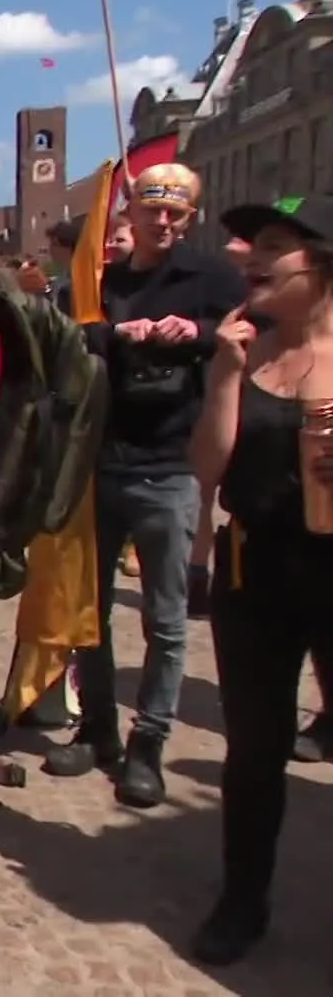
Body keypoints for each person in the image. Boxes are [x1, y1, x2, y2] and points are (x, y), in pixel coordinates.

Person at [42, 164, 245, 809]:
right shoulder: (105, 277)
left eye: (175, 214)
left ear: (190, 218)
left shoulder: (211, 277)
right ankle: (98, 728)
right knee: (89, 612)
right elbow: (68, 335)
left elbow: (245, 334)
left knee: (166, 618)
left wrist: (201, 333)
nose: (162, 222)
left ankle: (148, 743)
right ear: (131, 211)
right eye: (152, 210)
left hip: (171, 464)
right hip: (102, 459)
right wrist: (114, 334)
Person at [185, 195, 333, 965]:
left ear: (320, 262)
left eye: (274, 245)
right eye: (249, 244)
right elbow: (207, 468)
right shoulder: (248, 353)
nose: (251, 256)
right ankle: (243, 901)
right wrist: (223, 378)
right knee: (254, 749)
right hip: (256, 573)